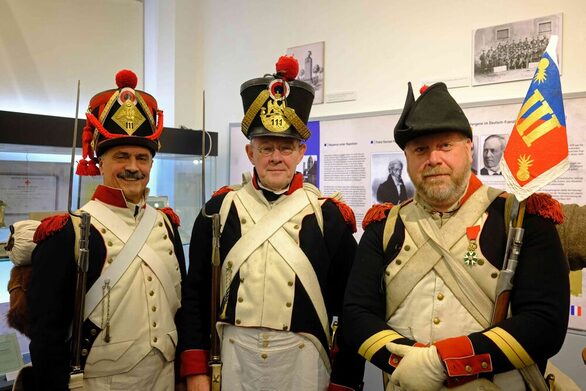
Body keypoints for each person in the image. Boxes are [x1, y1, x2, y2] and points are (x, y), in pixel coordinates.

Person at [343, 82, 569, 390]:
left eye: (445, 145)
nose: (433, 158)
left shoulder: (523, 218)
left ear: (469, 148)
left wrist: (440, 362)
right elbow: (356, 315)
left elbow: (545, 323)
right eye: (420, 149)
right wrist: (409, 362)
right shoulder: (383, 226)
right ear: (407, 158)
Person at [177, 56, 364, 391]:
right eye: (266, 148)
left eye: (286, 147)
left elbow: (351, 307)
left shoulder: (329, 216)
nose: (276, 157)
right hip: (232, 360)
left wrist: (344, 381)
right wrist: (195, 370)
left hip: (304, 362)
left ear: (301, 151)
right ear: (251, 154)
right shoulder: (218, 210)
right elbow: (195, 296)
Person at [28, 70, 186, 390]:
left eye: (142, 157)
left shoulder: (166, 224)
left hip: (166, 380)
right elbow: (46, 338)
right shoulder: (67, 233)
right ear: (100, 161)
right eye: (121, 156)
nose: (133, 166)